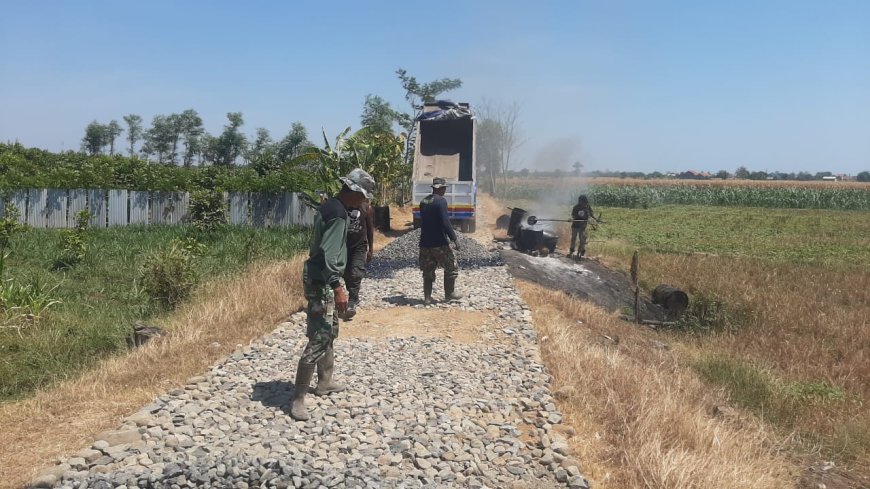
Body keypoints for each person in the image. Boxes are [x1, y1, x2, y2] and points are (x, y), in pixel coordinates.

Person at [290, 168, 375, 421]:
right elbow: (329, 252)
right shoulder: (338, 214)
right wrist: (338, 286)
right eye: (362, 196)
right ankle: (298, 398)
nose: (363, 201)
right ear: (355, 192)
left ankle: (325, 382)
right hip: (323, 281)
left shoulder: (332, 206)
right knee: (321, 334)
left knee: (329, 327)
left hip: (319, 277)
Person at [418, 177, 462, 305]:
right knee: (451, 266)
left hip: (425, 242)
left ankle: (427, 298)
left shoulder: (424, 201)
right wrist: (454, 239)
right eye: (444, 188)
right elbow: (445, 222)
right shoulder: (441, 201)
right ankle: (449, 294)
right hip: (439, 242)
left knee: (428, 269)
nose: (444, 191)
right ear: (441, 188)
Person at [341, 200, 374, 320]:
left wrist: (371, 249)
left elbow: (370, 229)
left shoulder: (367, 208)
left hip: (359, 246)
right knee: (345, 273)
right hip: (343, 246)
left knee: (356, 272)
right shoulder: (342, 206)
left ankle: (352, 301)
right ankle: (353, 293)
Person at [569, 194, 594, 258]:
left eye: (582, 201)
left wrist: (591, 219)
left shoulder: (587, 207)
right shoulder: (576, 207)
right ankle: (571, 250)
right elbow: (573, 215)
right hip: (575, 225)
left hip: (583, 226)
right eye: (579, 201)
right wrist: (575, 218)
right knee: (573, 238)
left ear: (584, 201)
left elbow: (591, 214)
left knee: (582, 239)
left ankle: (581, 251)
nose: (580, 202)